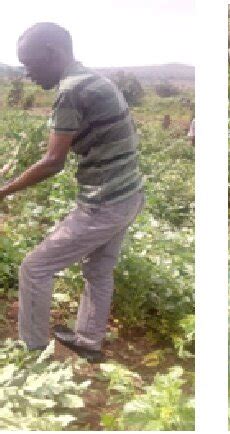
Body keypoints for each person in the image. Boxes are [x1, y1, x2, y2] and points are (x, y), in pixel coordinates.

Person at [0, 22, 145, 362]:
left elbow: (53, 162)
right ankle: (89, 341)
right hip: (129, 194)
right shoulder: (96, 79)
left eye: (31, 64)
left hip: (105, 203)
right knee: (98, 271)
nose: (28, 75)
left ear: (52, 53)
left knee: (34, 268)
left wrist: (3, 191)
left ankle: (33, 354)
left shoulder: (72, 91)